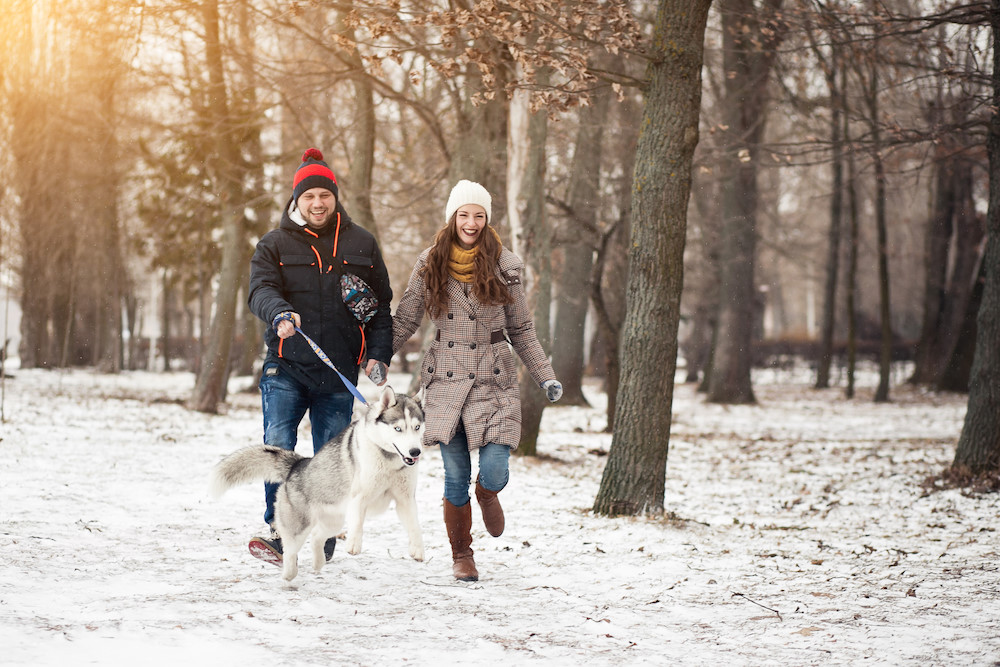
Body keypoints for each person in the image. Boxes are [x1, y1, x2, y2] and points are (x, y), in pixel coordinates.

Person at [392, 179, 562, 582]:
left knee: (496, 467)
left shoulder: (506, 266)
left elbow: (521, 329)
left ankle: (487, 492)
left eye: (479, 215)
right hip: (446, 376)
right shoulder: (429, 262)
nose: (471, 222)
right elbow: (406, 318)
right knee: (454, 476)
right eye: (464, 214)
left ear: (487, 220)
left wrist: (545, 376)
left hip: (493, 378)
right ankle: (462, 554)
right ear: (452, 217)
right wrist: (375, 356)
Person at [246, 148, 392, 564]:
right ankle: (281, 529)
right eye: (308, 196)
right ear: (297, 200)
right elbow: (259, 290)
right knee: (278, 444)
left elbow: (381, 307)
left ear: (334, 196)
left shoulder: (361, 243)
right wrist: (278, 313)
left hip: (337, 371)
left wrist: (378, 355)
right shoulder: (273, 244)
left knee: (331, 459)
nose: (317, 203)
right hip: (286, 365)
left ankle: (323, 531)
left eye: (323, 195)